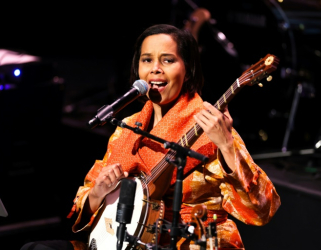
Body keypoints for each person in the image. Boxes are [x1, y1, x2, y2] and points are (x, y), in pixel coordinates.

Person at [21, 24, 281, 250]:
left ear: (188, 70)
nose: (155, 69)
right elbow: (84, 200)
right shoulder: (127, 126)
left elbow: (262, 209)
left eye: (168, 60)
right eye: (147, 60)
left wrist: (225, 144)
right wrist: (97, 193)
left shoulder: (211, 129)